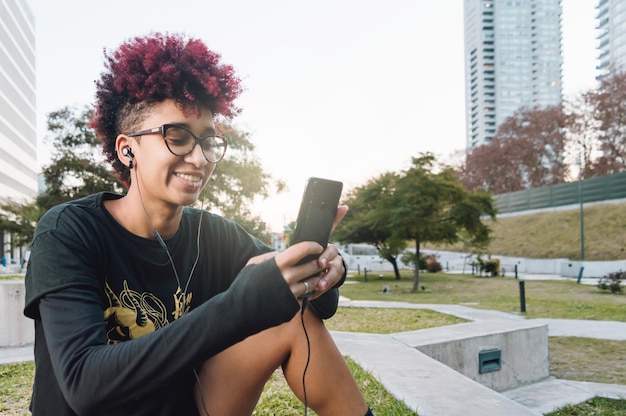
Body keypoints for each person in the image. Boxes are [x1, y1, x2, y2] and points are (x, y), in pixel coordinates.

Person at [24, 32, 373, 416]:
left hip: (187, 408)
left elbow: (317, 306)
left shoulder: (215, 234)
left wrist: (324, 271)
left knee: (294, 318)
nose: (198, 158)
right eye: (176, 136)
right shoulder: (68, 231)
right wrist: (242, 305)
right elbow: (83, 386)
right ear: (127, 149)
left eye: (207, 141)